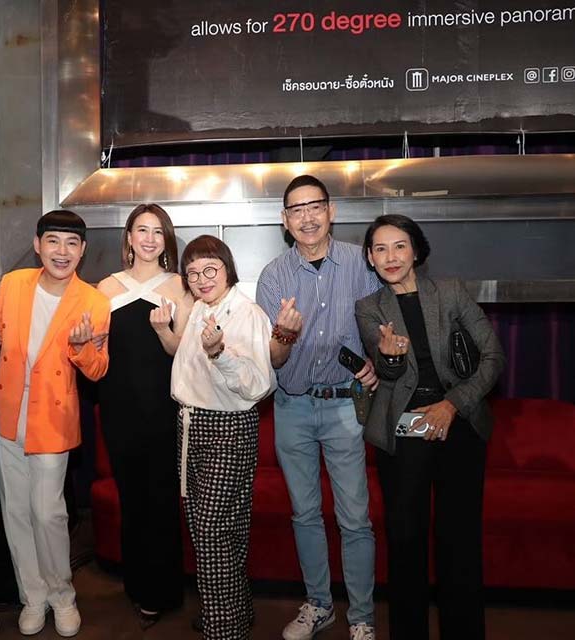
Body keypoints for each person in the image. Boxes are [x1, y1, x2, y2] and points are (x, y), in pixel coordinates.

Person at [355, 214, 504, 640]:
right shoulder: (369, 308)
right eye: (380, 249)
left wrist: (451, 404)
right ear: (370, 258)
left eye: (399, 245)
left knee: (459, 540)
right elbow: (387, 373)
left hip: (459, 423)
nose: (391, 256)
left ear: (416, 251)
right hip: (403, 431)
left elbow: (493, 357)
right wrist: (389, 356)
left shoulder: (451, 292)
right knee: (405, 540)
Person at [255, 174, 379, 640]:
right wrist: (284, 336)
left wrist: (377, 361)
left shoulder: (361, 264)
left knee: (355, 518)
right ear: (284, 220)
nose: (307, 217)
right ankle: (319, 605)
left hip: (346, 404)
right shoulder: (274, 276)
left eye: (315, 207)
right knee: (305, 514)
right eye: (297, 210)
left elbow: (382, 324)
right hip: (293, 407)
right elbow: (273, 359)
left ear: (331, 211)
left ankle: (362, 617)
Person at [0, 209, 110, 637]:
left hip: (52, 417)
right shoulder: (13, 284)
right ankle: (33, 596)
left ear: (83, 250)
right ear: (37, 245)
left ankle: (62, 596)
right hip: (7, 413)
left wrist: (80, 348)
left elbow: (98, 369)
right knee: (16, 511)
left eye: (71, 243)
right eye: (53, 241)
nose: (62, 251)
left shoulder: (94, 301)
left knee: (47, 513)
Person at [171, 235, 274, 640]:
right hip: (192, 424)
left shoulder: (247, 314)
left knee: (213, 530)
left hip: (228, 427)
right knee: (215, 527)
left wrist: (219, 354)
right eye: (193, 273)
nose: (202, 279)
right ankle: (235, 610)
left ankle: (222, 629)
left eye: (210, 269)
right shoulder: (201, 308)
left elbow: (258, 385)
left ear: (227, 268)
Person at [96, 204, 190, 628]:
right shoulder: (105, 287)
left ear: (165, 239)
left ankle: (163, 590)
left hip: (165, 408)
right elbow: (96, 350)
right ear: (129, 238)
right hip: (118, 408)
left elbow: (183, 350)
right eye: (142, 230)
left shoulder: (180, 285)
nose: (149, 239)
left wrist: (163, 329)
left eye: (157, 231)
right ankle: (136, 585)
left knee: (162, 499)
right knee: (131, 498)